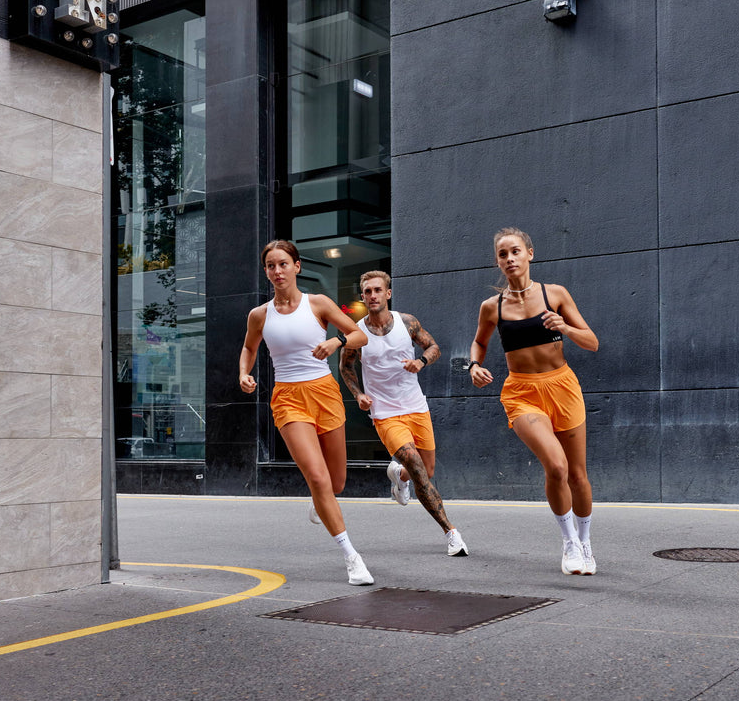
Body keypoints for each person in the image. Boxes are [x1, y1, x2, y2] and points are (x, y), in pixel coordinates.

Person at [238, 240, 375, 586]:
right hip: (288, 398)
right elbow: (249, 347)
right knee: (317, 478)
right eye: (270, 266)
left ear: (297, 267)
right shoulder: (260, 315)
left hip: (325, 392)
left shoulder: (319, 304)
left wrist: (335, 342)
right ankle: (351, 556)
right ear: (266, 271)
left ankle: (322, 501)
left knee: (336, 482)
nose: (277, 271)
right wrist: (244, 372)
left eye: (283, 264)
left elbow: (359, 335)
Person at [468, 227, 600, 575]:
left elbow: (592, 342)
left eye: (515, 251)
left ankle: (585, 543)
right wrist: (474, 365)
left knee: (577, 475)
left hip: (562, 386)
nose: (509, 259)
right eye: (502, 254)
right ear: (498, 261)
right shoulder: (491, 307)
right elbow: (479, 343)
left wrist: (566, 328)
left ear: (530, 253)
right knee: (555, 466)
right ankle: (569, 541)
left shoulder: (554, 294)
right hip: (522, 393)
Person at [338, 270, 469, 557]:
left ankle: (400, 476)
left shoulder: (407, 322)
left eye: (377, 290)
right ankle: (451, 532)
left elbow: (433, 346)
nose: (372, 295)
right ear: (362, 296)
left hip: (415, 406)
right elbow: (346, 366)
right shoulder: (355, 333)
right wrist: (359, 394)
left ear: (388, 293)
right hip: (384, 412)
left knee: (426, 470)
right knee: (418, 466)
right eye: (367, 291)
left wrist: (421, 362)